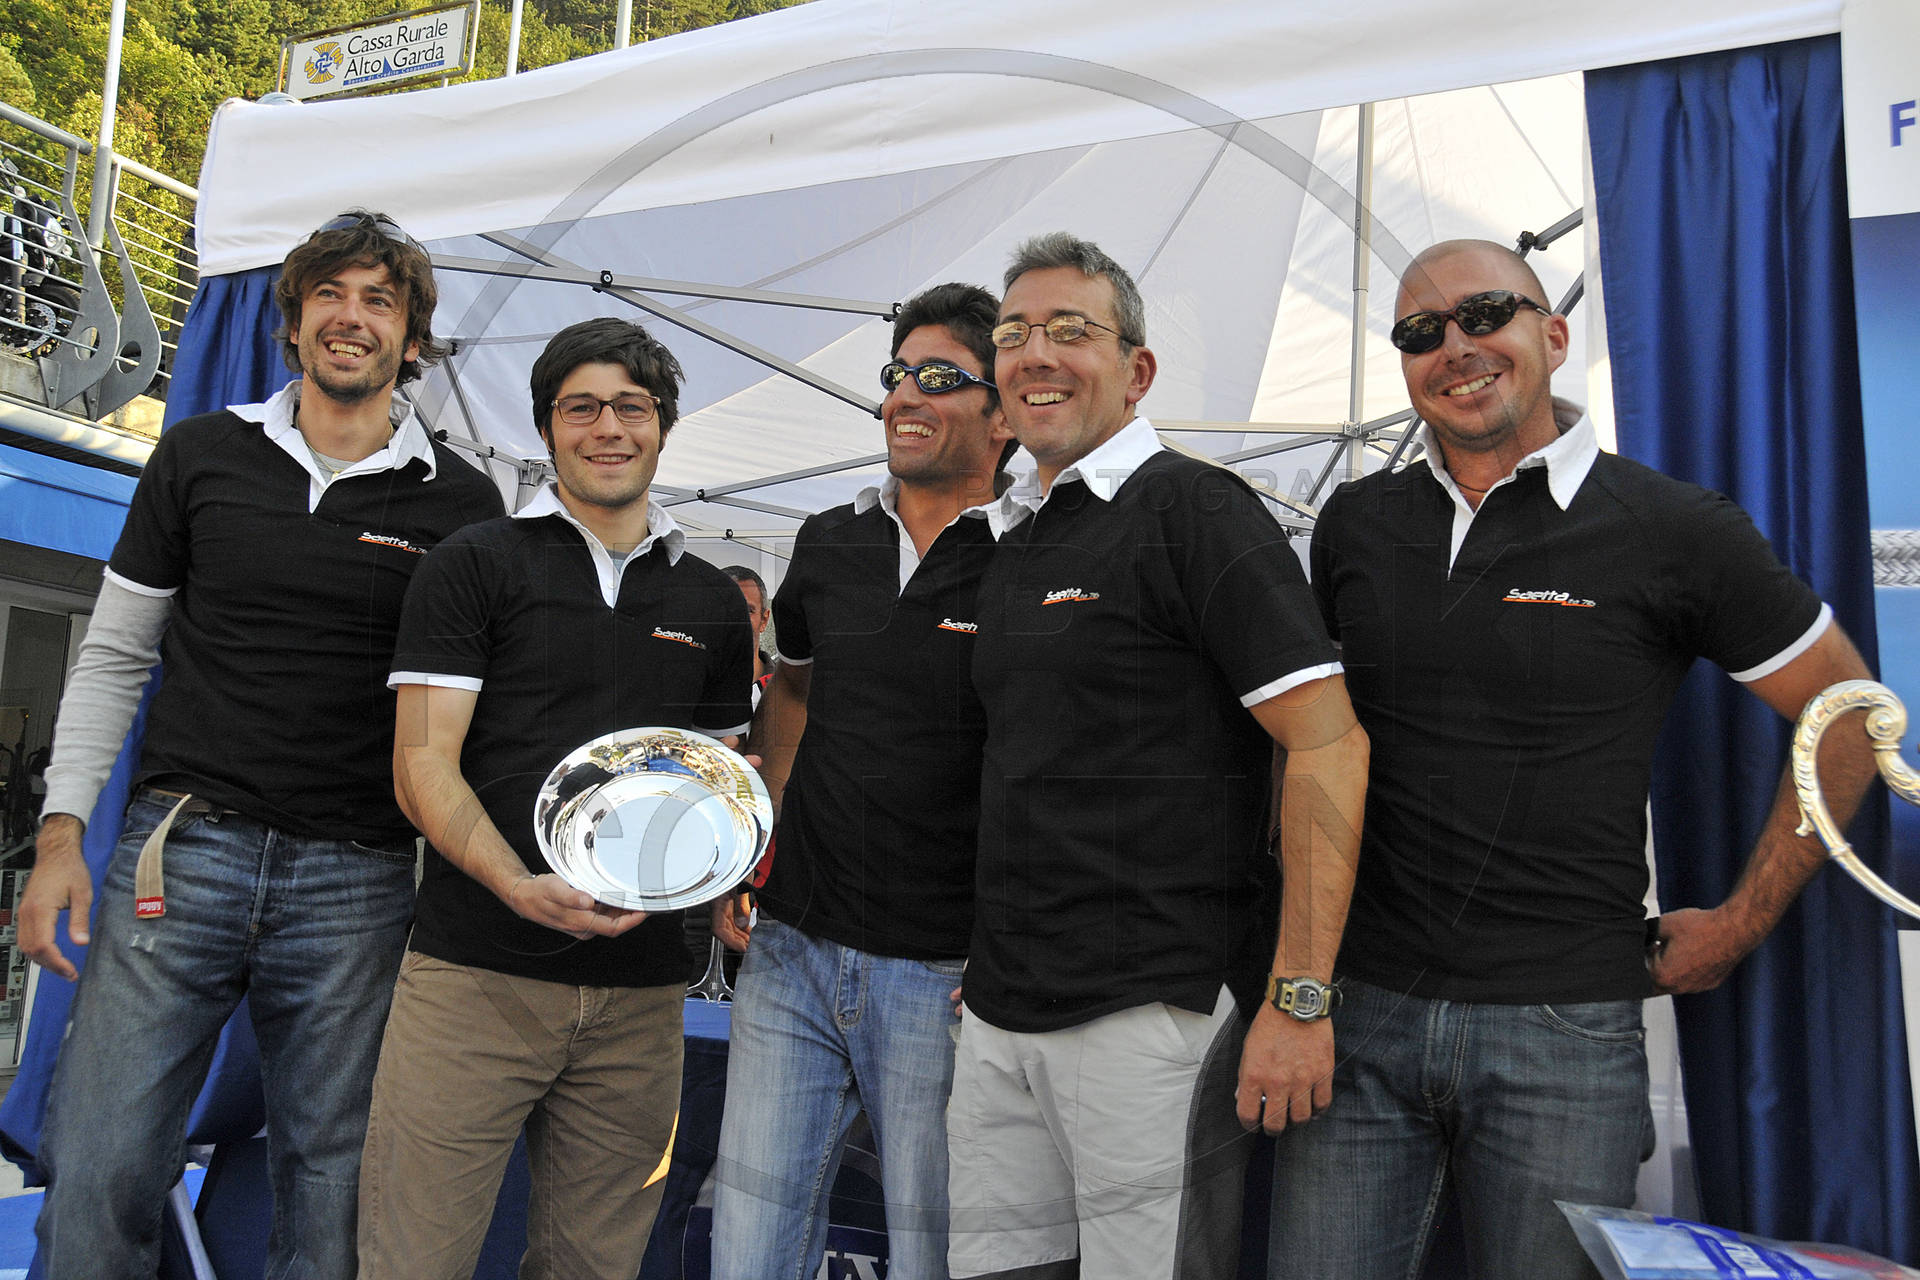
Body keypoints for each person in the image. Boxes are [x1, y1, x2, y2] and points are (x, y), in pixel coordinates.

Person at [1273, 238, 1880, 1280]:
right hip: (1359, 1011)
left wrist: (1741, 921)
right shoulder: (1358, 524)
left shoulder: (1671, 526)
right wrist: (1296, 986)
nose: (1455, 347)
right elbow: (1314, 747)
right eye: (1420, 332)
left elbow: (1851, 716)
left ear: (1553, 336)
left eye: (1484, 314)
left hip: (1563, 1031)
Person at [19, 209, 505, 1278]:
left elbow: (474, 718)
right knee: (99, 1166)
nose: (351, 317)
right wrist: (60, 837)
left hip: (361, 883)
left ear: (411, 339)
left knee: (333, 1193)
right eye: (330, 293)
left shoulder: (464, 504)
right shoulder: (200, 453)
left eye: (379, 300)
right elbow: (113, 656)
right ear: (292, 322)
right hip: (180, 854)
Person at [947, 234, 1370, 1280]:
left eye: (1070, 330)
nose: (1035, 352)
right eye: (1013, 333)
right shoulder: (1013, 535)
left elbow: (1328, 743)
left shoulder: (1196, 507)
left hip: (1152, 1012)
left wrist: (1300, 995)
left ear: (1136, 370)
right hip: (1002, 1009)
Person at [357, 316, 752, 1280]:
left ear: (663, 426)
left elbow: (712, 789)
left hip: (643, 995)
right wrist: (516, 884)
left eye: (632, 407)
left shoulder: (711, 601)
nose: (607, 428)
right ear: (546, 428)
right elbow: (421, 763)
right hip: (473, 977)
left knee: (595, 1267)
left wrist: (717, 877)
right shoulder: (474, 562)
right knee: (413, 1262)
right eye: (581, 408)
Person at [708, 281, 1017, 1280]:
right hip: (792, 952)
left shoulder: (1039, 555)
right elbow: (793, 691)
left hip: (944, 977)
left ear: (1004, 414)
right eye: (897, 374)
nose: (904, 396)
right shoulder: (829, 540)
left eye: (940, 376)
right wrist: (759, 848)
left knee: (937, 1259)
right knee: (749, 1255)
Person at [722, 564, 775, 698]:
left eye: (748, 610)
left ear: (764, 620)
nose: (735, 618)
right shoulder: (684, 683)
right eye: (724, 608)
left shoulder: (788, 690)